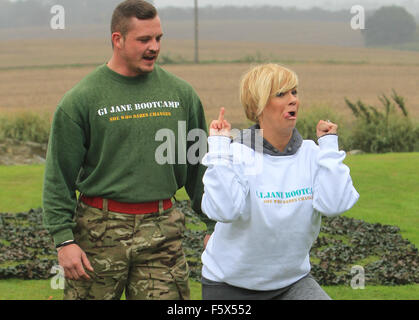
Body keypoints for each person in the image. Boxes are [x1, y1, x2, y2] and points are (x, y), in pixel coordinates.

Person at [42, 0, 214, 300]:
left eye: (158, 38)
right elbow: (59, 177)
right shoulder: (81, 100)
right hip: (98, 235)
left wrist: (214, 223)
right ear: (117, 40)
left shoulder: (181, 95)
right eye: (144, 39)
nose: (154, 47)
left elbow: (199, 168)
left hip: (163, 234)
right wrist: (63, 241)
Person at [200, 63, 360, 300]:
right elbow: (224, 211)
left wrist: (328, 147)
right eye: (281, 94)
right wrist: (220, 149)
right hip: (230, 286)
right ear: (258, 105)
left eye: (294, 92)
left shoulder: (312, 153)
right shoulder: (238, 153)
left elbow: (334, 205)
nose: (293, 99)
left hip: (292, 284)